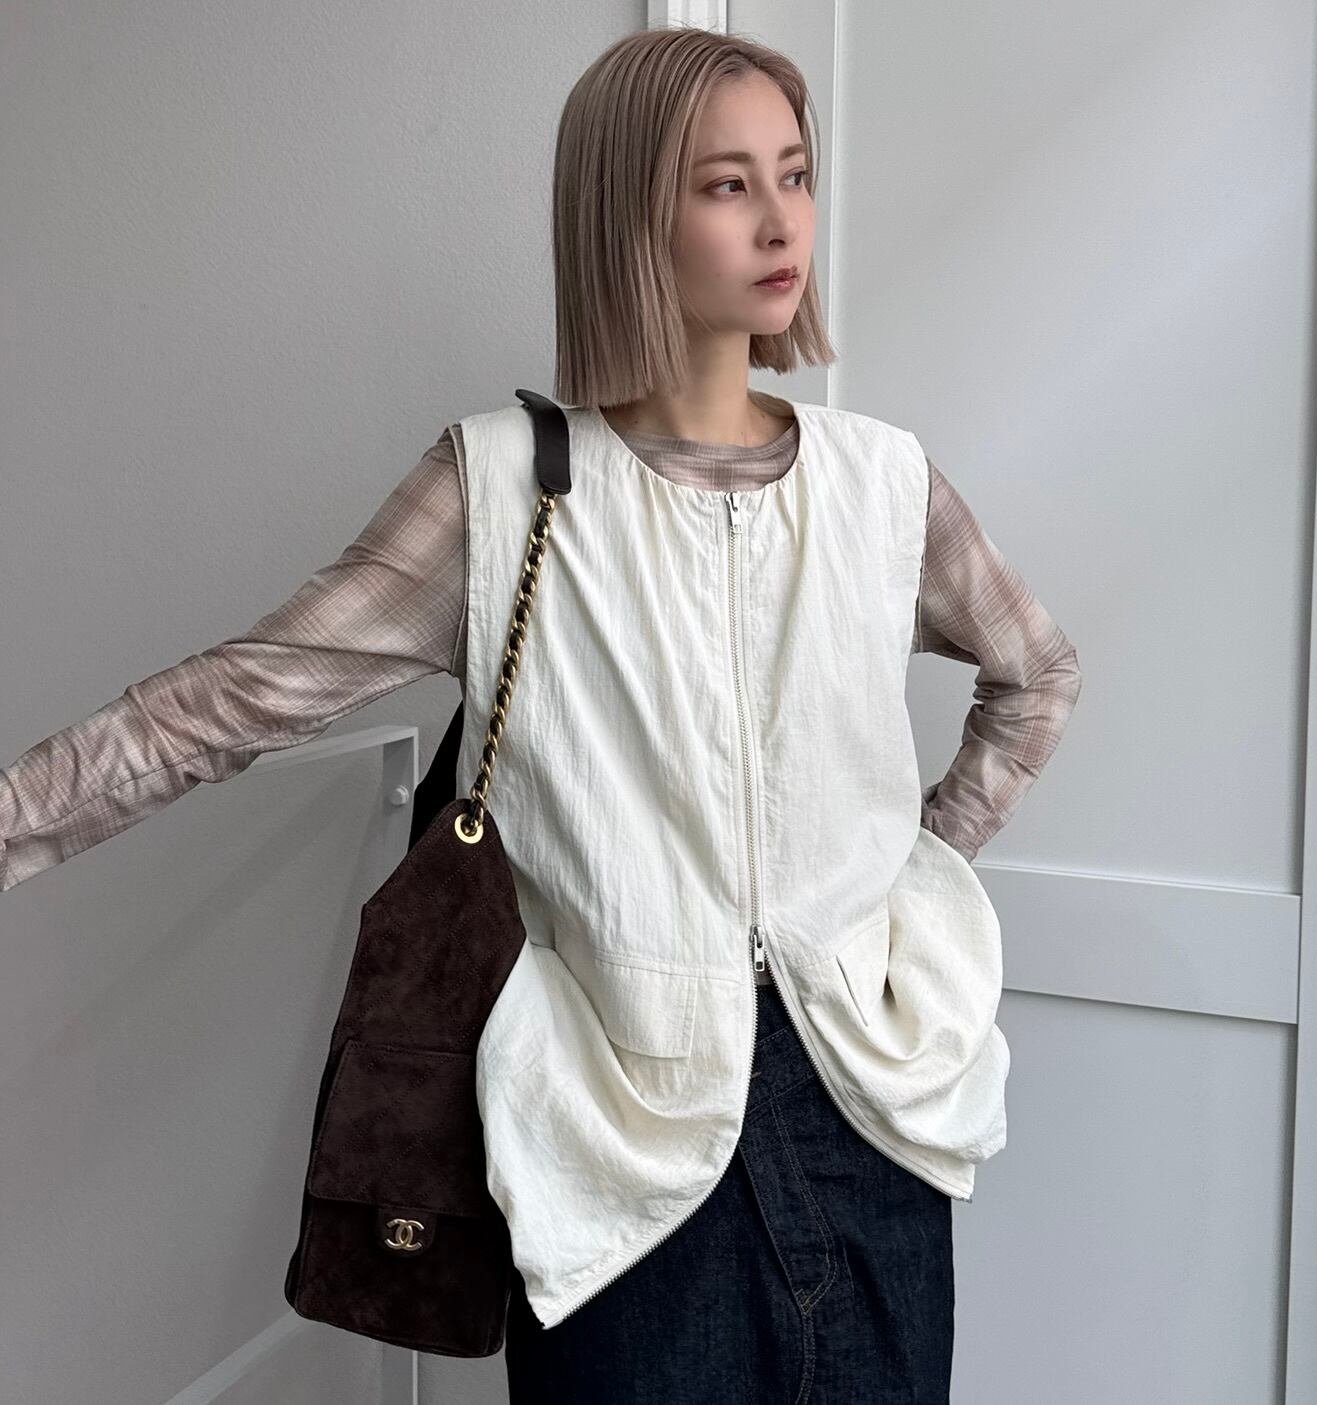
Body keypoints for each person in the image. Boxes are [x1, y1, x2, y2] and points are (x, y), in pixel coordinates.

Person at [1, 24, 1082, 1404]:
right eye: (726, 184)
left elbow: (1035, 672)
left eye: (794, 174)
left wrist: (910, 877)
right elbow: (224, 704)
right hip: (617, 1151)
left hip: (870, 1119)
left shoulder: (882, 483)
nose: (780, 220)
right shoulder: (499, 487)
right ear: (629, 217)